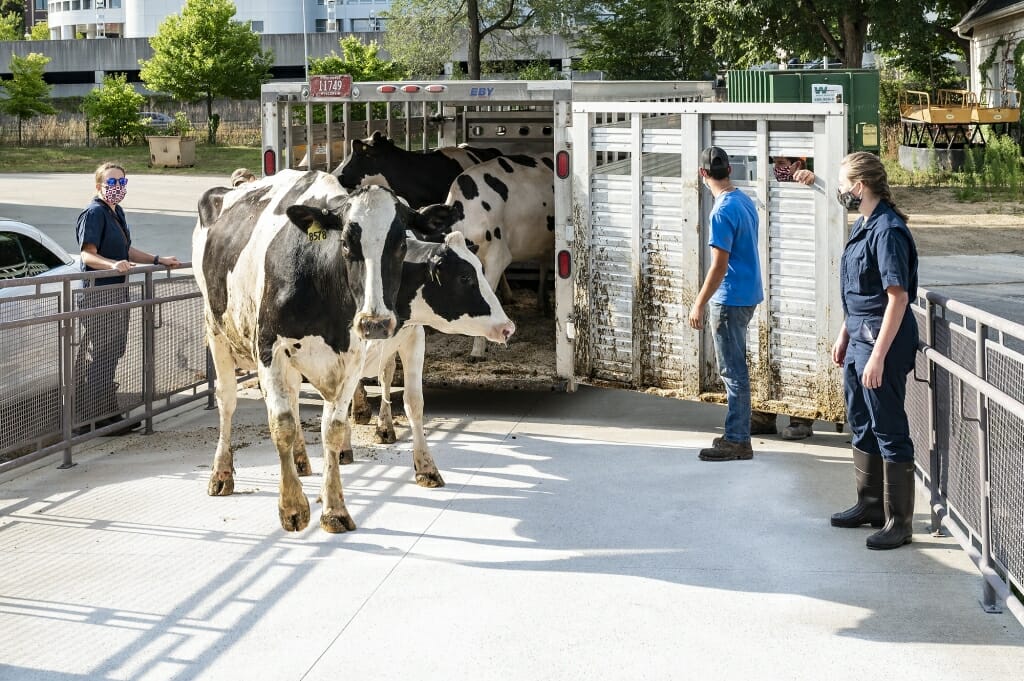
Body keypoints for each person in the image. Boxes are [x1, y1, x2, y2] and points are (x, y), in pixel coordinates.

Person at [828, 152, 919, 550]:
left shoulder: (888, 231)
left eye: (844, 182)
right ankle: (870, 505)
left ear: (860, 187)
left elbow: (896, 298)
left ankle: (900, 522)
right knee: (861, 420)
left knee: (889, 427)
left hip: (883, 341)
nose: (841, 190)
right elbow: (857, 293)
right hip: (859, 338)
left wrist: (879, 356)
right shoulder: (863, 224)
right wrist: (844, 334)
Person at [75, 162, 182, 435]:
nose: (117, 188)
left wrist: (158, 259)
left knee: (113, 353)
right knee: (101, 355)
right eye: (111, 183)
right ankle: (94, 418)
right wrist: (111, 265)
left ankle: (109, 414)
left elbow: (127, 249)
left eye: (122, 182)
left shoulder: (116, 212)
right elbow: (87, 254)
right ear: (99, 186)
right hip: (99, 295)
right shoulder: (94, 212)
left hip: (117, 293)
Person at [689, 146, 764, 462]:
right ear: (729, 171)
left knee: (732, 370)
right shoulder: (743, 201)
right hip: (747, 295)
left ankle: (737, 440)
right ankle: (737, 432)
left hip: (729, 299)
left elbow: (719, 265)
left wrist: (699, 303)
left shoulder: (720, 212)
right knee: (735, 368)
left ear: (703, 174)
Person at [749, 155, 817, 441]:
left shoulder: (812, 169)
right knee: (764, 340)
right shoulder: (762, 169)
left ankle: (801, 414)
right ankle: (763, 412)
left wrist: (814, 180)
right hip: (768, 259)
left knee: (799, 340)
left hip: (800, 261)